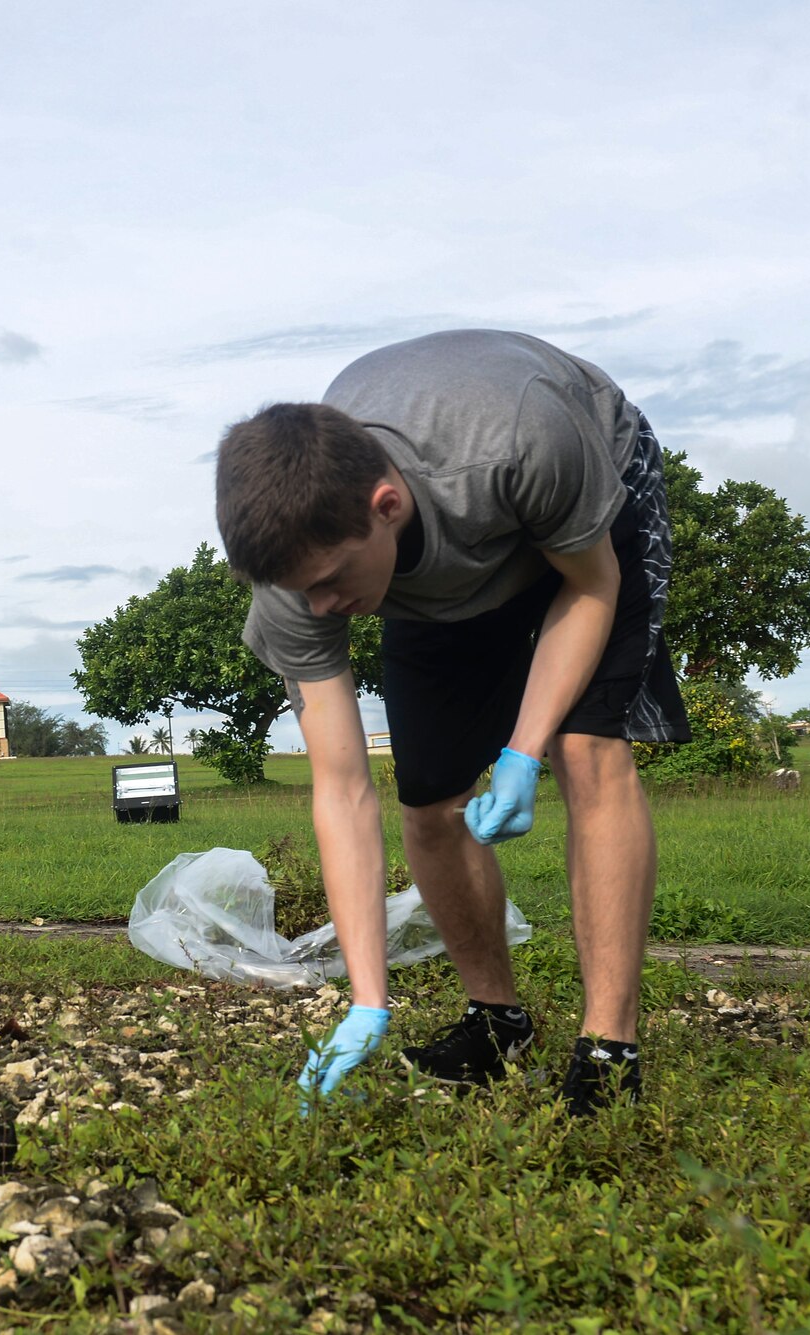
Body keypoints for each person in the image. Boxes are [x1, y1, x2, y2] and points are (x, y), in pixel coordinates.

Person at [214, 329, 689, 1116]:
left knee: (585, 749)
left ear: (385, 506)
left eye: (333, 582)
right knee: (430, 796)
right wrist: (368, 997)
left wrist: (523, 750)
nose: (325, 609)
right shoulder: (294, 582)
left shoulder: (520, 439)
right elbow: (342, 789)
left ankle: (609, 1050)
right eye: (306, 594)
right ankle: (497, 1021)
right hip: (445, 561)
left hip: (583, 489)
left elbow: (591, 586)